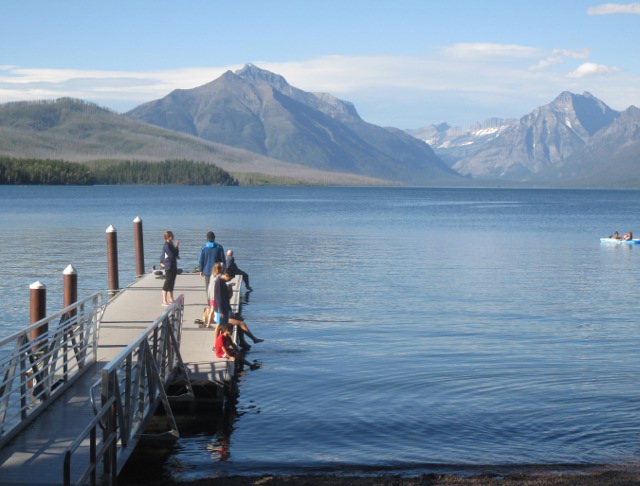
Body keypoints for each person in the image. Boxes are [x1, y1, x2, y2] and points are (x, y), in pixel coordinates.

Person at [214, 269, 264, 347]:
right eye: (230, 278)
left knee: (227, 323)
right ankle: (216, 345)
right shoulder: (219, 283)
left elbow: (225, 299)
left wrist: (229, 310)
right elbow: (219, 298)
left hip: (224, 310)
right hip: (221, 311)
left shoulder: (222, 282)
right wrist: (221, 311)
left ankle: (242, 342)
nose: (230, 279)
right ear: (226, 275)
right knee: (219, 326)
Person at [199, 231, 225, 299]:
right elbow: (223, 260)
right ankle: (217, 303)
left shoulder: (204, 248)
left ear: (207, 238)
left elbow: (201, 260)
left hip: (207, 271)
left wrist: (201, 270)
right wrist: (224, 269)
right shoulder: (219, 247)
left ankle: (210, 304)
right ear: (214, 238)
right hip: (217, 271)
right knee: (217, 287)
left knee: (208, 288)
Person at [160, 230, 179, 306]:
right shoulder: (166, 245)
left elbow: (176, 253)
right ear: (168, 237)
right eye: (171, 235)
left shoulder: (171, 244)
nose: (173, 236)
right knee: (167, 282)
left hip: (173, 265)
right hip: (168, 265)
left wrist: (176, 247)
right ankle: (164, 300)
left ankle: (171, 298)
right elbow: (170, 255)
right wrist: (161, 262)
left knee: (172, 281)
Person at [204, 262, 225, 328]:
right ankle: (212, 323)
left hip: (211, 296)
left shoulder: (212, 275)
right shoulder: (219, 276)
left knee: (212, 309)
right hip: (216, 296)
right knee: (216, 310)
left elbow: (210, 287)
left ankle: (208, 323)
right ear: (221, 269)